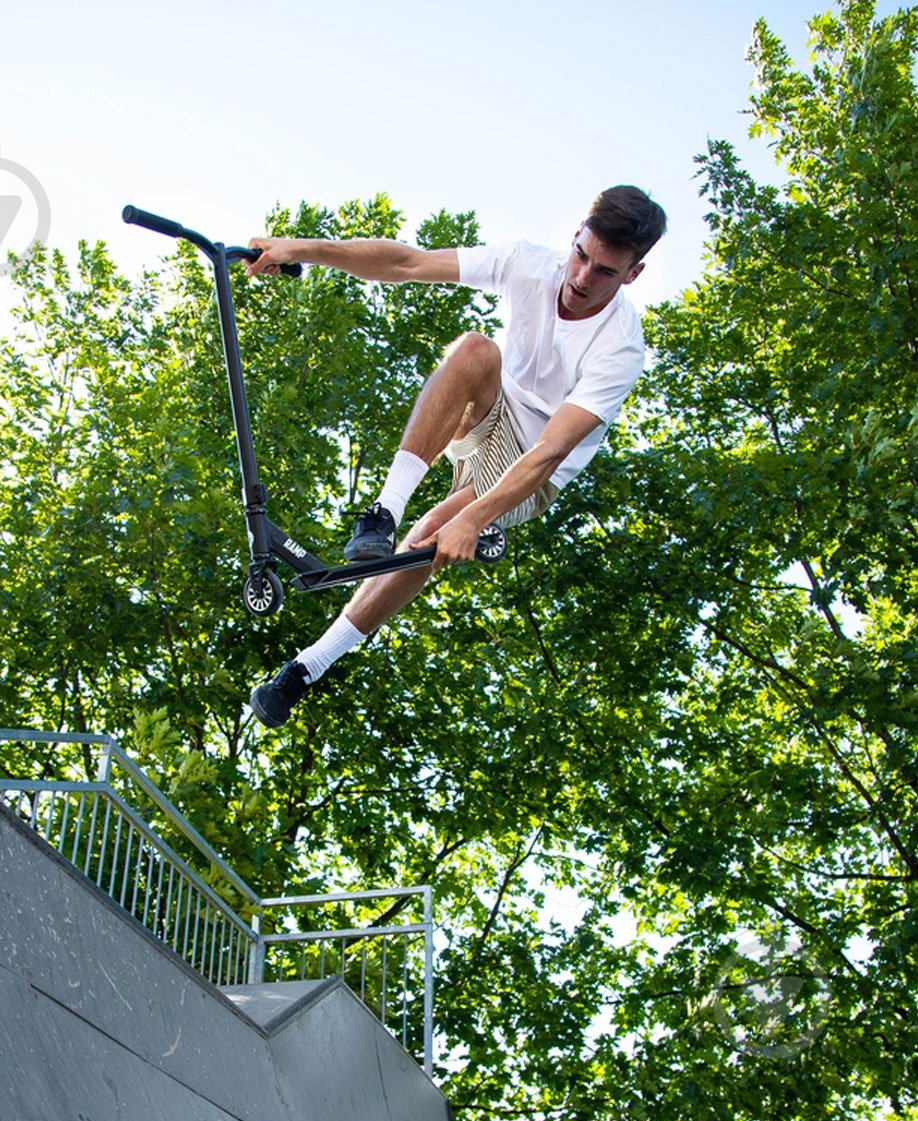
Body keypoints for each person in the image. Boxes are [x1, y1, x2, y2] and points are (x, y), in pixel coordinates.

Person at [245, 185, 667, 728]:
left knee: (438, 526)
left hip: (533, 467)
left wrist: (474, 519)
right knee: (474, 350)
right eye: (581, 256)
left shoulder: (621, 346)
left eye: (605, 272)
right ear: (575, 238)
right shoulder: (527, 264)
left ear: (632, 274)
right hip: (487, 413)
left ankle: (305, 669)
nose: (582, 279)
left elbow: (551, 451)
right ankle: (381, 514)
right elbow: (407, 262)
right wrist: (301, 249)